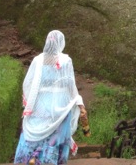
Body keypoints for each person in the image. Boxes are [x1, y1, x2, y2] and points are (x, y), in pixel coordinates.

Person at [14, 30, 88, 165]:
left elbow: (28, 83)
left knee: (33, 137)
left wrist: (29, 103)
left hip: (40, 105)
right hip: (60, 107)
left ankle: (29, 159)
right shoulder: (66, 61)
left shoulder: (38, 60)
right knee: (56, 139)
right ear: (61, 43)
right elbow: (71, 86)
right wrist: (80, 104)